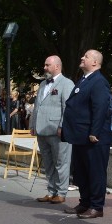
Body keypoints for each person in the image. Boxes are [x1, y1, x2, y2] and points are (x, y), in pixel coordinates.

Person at [61, 50, 112, 219]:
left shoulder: (98, 81)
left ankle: (97, 206)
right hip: (80, 136)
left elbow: (100, 108)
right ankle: (85, 203)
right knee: (81, 172)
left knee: (95, 172)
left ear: (95, 62)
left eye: (86, 57)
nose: (82, 58)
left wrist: (94, 132)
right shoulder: (84, 80)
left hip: (93, 137)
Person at [31, 56, 74, 204]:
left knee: (61, 162)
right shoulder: (43, 83)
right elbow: (37, 106)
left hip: (57, 130)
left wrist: (63, 126)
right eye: (44, 64)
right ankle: (51, 191)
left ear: (57, 66)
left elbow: (67, 108)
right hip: (41, 130)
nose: (44, 67)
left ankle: (61, 192)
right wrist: (32, 125)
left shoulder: (67, 83)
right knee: (48, 163)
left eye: (47, 65)